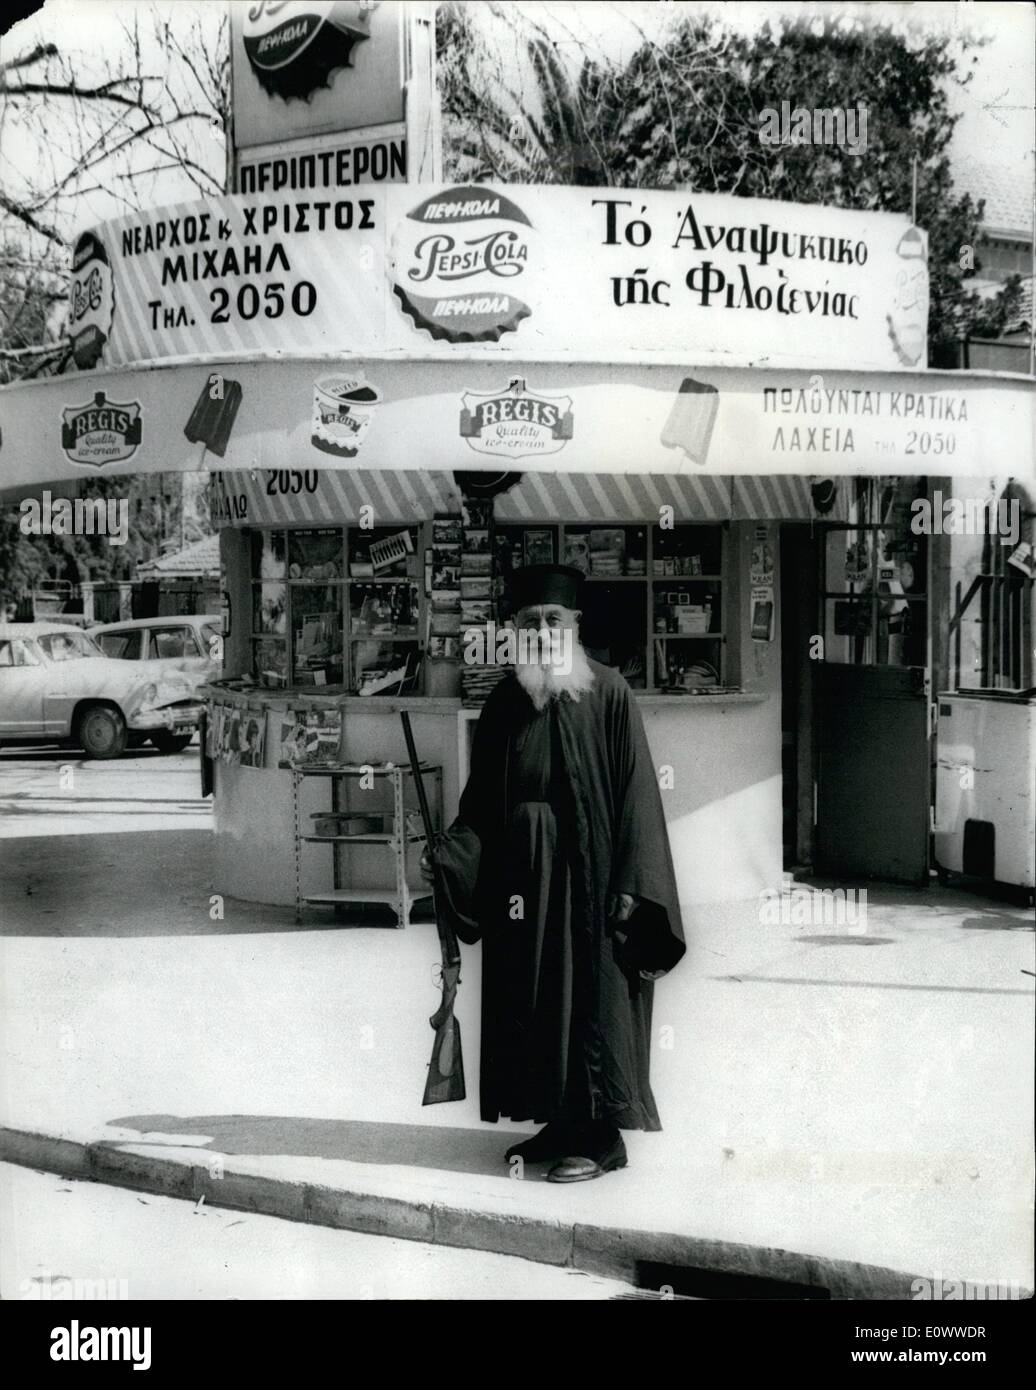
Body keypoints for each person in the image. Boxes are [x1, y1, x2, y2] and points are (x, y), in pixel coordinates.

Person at [423, 564, 685, 1183]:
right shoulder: (505, 703)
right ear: (515, 630)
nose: (541, 631)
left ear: (575, 627)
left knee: (592, 1003)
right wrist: (452, 854)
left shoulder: (610, 693)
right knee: (537, 1000)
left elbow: (638, 797)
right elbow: (480, 807)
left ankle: (601, 1139)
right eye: (529, 622)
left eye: (552, 621)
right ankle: (559, 1119)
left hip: (592, 886)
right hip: (524, 890)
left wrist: (630, 883)